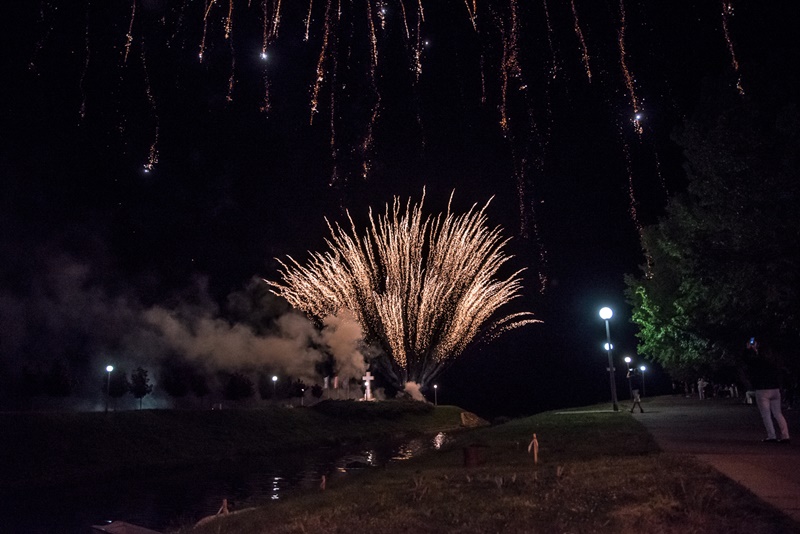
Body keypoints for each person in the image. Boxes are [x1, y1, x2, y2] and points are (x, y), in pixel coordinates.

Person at [743, 338, 791, 444]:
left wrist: (750, 350)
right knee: (778, 413)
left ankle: (772, 436)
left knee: (766, 414)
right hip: (775, 389)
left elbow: (748, 362)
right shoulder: (774, 362)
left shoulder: (758, 361)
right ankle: (785, 435)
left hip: (763, 389)